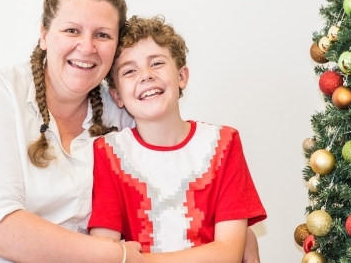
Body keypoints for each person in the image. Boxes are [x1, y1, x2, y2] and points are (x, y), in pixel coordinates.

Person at [0, 0, 261, 263]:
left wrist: (237, 233)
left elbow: (172, 158)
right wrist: (116, 256)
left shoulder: (117, 108)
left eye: (102, 35)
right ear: (43, 35)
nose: (86, 47)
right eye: (72, 30)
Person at [88, 16, 267, 263]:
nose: (146, 75)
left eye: (157, 63)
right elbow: (104, 252)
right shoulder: (107, 152)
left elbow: (228, 254)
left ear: (182, 76)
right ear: (117, 96)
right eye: (129, 70)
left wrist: (135, 260)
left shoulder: (224, 143)